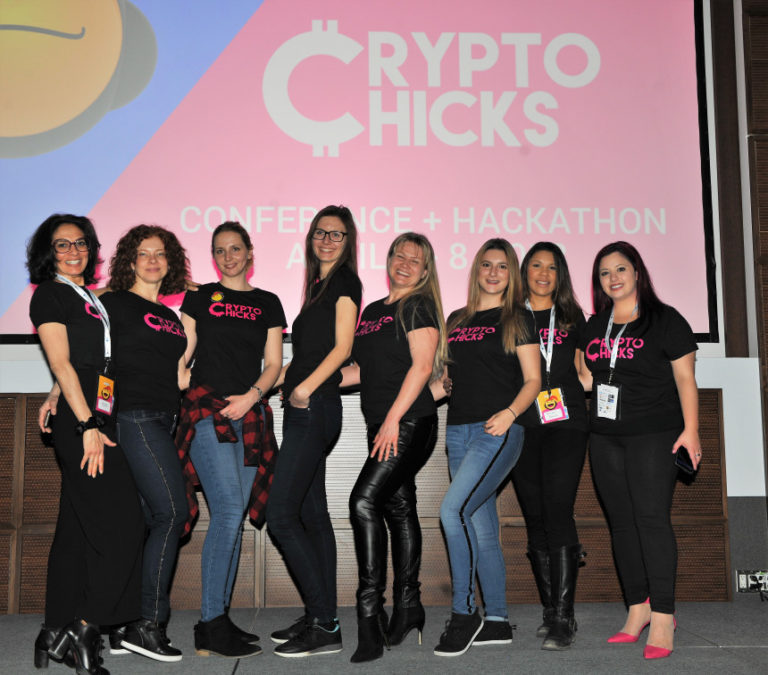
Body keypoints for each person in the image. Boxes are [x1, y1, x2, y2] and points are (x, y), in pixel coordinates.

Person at [28, 214, 143, 675]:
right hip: (86, 422)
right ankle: (84, 626)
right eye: (62, 245)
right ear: (48, 252)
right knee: (124, 525)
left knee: (75, 532)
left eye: (81, 243)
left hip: (93, 408)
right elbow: (60, 360)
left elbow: (82, 359)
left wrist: (57, 395)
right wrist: (87, 424)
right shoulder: (50, 294)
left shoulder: (89, 297)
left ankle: (53, 629)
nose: (74, 251)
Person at [579, 241, 701, 660]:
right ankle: (638, 609)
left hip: (654, 433)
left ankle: (663, 615)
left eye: (620, 269)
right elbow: (587, 376)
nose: (612, 278)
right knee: (622, 525)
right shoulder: (595, 325)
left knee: (651, 520)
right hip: (604, 436)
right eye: (604, 273)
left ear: (636, 273)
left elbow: (685, 378)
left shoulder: (665, 319)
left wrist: (691, 431)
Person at [177, 221, 286, 658]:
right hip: (208, 411)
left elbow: (274, 363)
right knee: (225, 511)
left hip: (250, 413)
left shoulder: (268, 302)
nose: (228, 257)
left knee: (235, 514)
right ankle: (210, 622)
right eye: (220, 250)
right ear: (213, 256)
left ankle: (216, 618)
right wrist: (178, 373)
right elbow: (184, 349)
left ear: (249, 251)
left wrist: (252, 396)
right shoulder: (200, 297)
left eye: (235, 248)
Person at [341, 233, 447, 663]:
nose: (405, 263)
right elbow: (362, 371)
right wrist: (314, 380)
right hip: (383, 425)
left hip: (409, 423)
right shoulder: (371, 312)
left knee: (362, 502)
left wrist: (391, 421)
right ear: (388, 260)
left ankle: (369, 616)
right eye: (399, 255)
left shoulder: (418, 305)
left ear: (425, 271)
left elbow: (422, 367)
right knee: (399, 508)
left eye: (414, 259)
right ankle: (409, 607)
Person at [433, 238, 540, 657]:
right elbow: (446, 380)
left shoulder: (518, 318)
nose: (493, 273)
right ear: (476, 269)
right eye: (487, 265)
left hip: (497, 430)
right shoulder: (457, 319)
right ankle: (496, 620)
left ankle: (464, 613)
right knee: (480, 527)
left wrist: (510, 414)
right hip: (457, 431)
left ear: (511, 275)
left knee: (451, 511)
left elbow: (533, 380)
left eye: (502, 266)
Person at [266, 205, 362, 658]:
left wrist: (304, 388)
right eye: (320, 232)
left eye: (336, 234)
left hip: (315, 407)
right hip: (307, 407)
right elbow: (306, 356)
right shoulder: (318, 287)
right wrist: (273, 382)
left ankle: (324, 622)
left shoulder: (344, 282)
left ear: (348, 241)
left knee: (281, 516)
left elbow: (343, 347)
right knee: (313, 517)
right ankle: (322, 616)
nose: (327, 240)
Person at [98, 225, 190, 661]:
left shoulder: (172, 318)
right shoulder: (114, 303)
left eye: (160, 253)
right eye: (143, 253)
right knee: (173, 513)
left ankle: (122, 624)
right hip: (133, 416)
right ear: (129, 261)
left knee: (145, 521)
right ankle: (148, 624)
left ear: (169, 262)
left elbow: (170, 370)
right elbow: (96, 360)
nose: (152, 260)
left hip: (164, 419)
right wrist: (86, 411)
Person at [510, 242, 588, 650]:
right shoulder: (509, 316)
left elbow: (585, 373)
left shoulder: (573, 317)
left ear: (561, 275)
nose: (543, 273)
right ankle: (549, 610)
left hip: (566, 422)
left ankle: (564, 616)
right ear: (524, 271)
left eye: (552, 267)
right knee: (535, 515)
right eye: (536, 265)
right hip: (523, 423)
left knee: (558, 508)